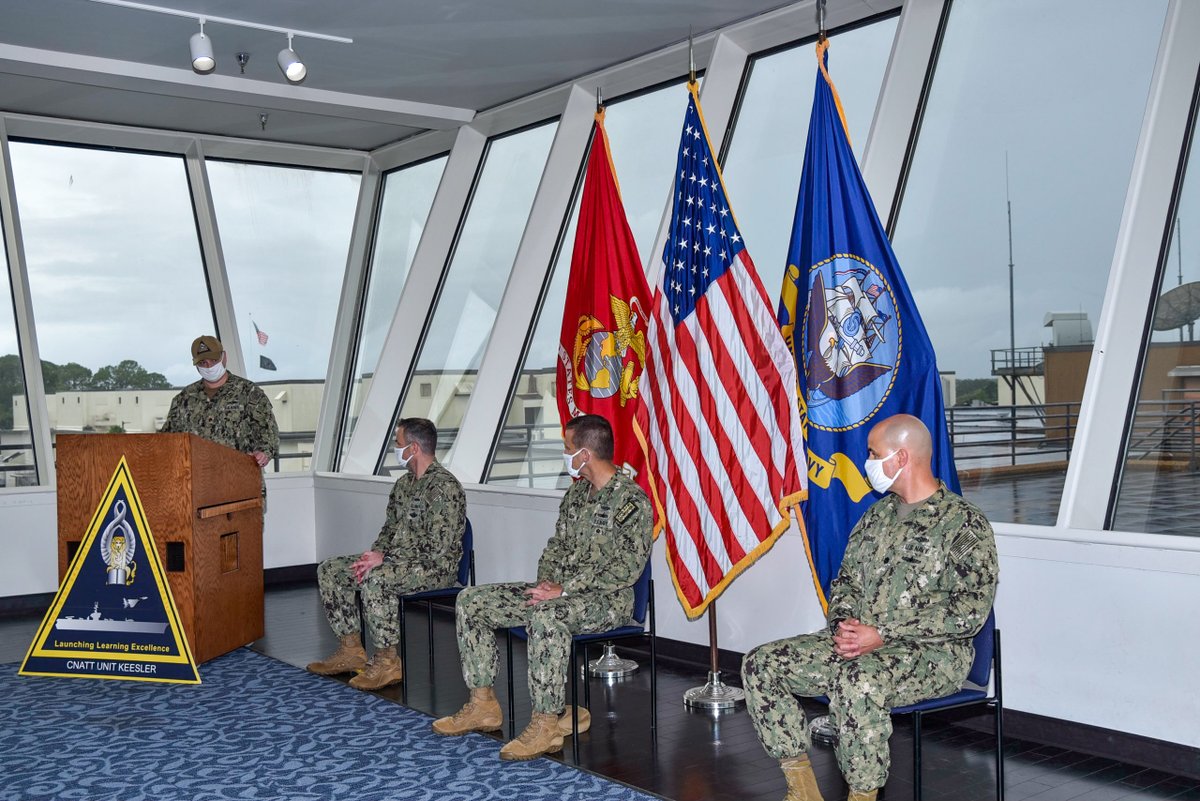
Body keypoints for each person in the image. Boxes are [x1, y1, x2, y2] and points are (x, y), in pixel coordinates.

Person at [741, 414, 998, 801]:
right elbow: (845, 581)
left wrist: (883, 633)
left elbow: (969, 610)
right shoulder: (877, 516)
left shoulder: (963, 524)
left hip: (933, 654)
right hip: (861, 641)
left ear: (900, 458)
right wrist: (846, 625)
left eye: (874, 454)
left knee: (856, 680)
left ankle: (862, 794)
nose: (868, 463)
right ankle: (802, 789)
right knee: (762, 663)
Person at [431, 414, 652, 761]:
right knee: (472, 600)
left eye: (567, 448)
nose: (565, 455)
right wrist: (546, 583)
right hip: (562, 593)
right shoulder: (577, 493)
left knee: (547, 617)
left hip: (608, 600)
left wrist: (564, 590)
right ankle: (482, 704)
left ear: (585, 454)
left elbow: (626, 568)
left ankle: (546, 723)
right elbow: (556, 547)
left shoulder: (630, 501)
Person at [307, 417, 466, 691]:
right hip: (398, 562)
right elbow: (389, 528)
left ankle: (388, 662)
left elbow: (439, 546)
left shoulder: (444, 488)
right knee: (331, 569)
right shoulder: (404, 485)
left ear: (414, 448)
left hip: (434, 568)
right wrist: (376, 553)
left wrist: (387, 558)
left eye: (398, 442)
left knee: (377, 579)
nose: (396, 447)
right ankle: (351, 649)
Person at [161, 335, 279, 467]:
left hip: (240, 479)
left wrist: (263, 453)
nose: (209, 366)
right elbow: (167, 440)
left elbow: (269, 434)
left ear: (224, 357)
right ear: (195, 364)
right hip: (197, 481)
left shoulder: (249, 392)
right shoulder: (184, 399)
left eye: (214, 360)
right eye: (203, 363)